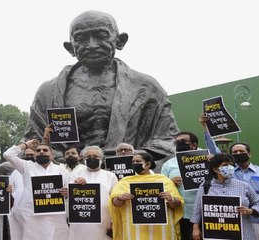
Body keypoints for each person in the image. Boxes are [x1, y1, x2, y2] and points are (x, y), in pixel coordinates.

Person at [24, 10, 179, 159]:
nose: (91, 45)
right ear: (70, 47)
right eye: (80, 38)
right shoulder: (48, 91)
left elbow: (167, 140)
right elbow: (33, 142)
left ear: (120, 41)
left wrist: (128, 157)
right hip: (69, 168)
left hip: (129, 165)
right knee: (8, 167)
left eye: (101, 35)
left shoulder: (146, 87)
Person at [161, 114, 221, 240]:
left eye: (183, 141)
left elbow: (223, 170)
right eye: (177, 141)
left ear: (193, 145)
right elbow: (162, 186)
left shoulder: (207, 157)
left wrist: (214, 162)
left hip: (208, 210)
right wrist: (170, 182)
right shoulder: (169, 164)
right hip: (183, 213)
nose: (179, 143)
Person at [3, 139, 71, 240]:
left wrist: (67, 193)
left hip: (55, 215)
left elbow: (69, 190)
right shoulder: (27, 166)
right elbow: (8, 155)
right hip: (30, 214)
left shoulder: (61, 170)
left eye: (45, 150)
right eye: (38, 151)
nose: (41, 152)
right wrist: (26, 145)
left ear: (52, 156)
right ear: (34, 155)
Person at [109, 151, 183, 240]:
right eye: (133, 162)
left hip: (161, 230)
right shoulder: (125, 181)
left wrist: (171, 199)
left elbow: (177, 204)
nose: (135, 164)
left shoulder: (163, 180)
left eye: (138, 161)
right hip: (133, 230)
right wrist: (119, 198)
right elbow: (115, 204)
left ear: (147, 164)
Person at [191, 154, 259, 240]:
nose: (229, 167)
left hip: (243, 233)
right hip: (215, 234)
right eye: (225, 165)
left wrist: (251, 211)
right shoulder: (205, 186)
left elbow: (258, 202)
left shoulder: (243, 186)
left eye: (231, 164)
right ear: (215, 169)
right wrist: (195, 228)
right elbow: (198, 209)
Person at [70, 146, 118, 240]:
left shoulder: (110, 176)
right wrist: (75, 183)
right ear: (83, 159)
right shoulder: (76, 174)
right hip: (80, 221)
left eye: (95, 156)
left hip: (104, 220)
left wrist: (113, 221)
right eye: (88, 157)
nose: (92, 158)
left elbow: (114, 199)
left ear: (102, 159)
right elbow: (68, 195)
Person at [230, 142, 259, 237]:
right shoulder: (228, 173)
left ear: (249, 154)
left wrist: (252, 211)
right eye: (235, 152)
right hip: (233, 221)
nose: (238, 153)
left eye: (242, 151)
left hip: (257, 220)